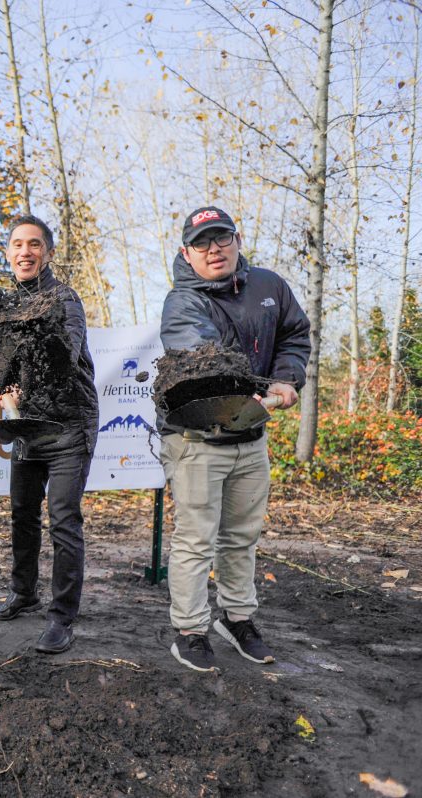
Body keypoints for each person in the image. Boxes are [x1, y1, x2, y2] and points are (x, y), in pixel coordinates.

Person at [160, 205, 310, 672]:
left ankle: (238, 618)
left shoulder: (270, 287)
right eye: (202, 243)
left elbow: (294, 336)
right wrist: (260, 391)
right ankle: (189, 630)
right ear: (187, 252)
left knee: (242, 536)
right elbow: (207, 360)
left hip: (250, 434)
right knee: (196, 540)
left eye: (221, 238)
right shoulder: (183, 302)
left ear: (237, 240)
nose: (214, 249)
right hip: (198, 438)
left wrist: (287, 378)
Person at [0, 216, 99, 655]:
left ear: (47, 252)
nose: (25, 252)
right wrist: (5, 388)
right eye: (17, 244)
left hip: (68, 425)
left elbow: (65, 357)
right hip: (28, 425)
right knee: (22, 512)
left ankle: (62, 616)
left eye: (34, 244)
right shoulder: (5, 306)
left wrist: (24, 385)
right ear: (8, 253)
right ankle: (23, 592)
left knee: (63, 518)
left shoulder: (64, 299)